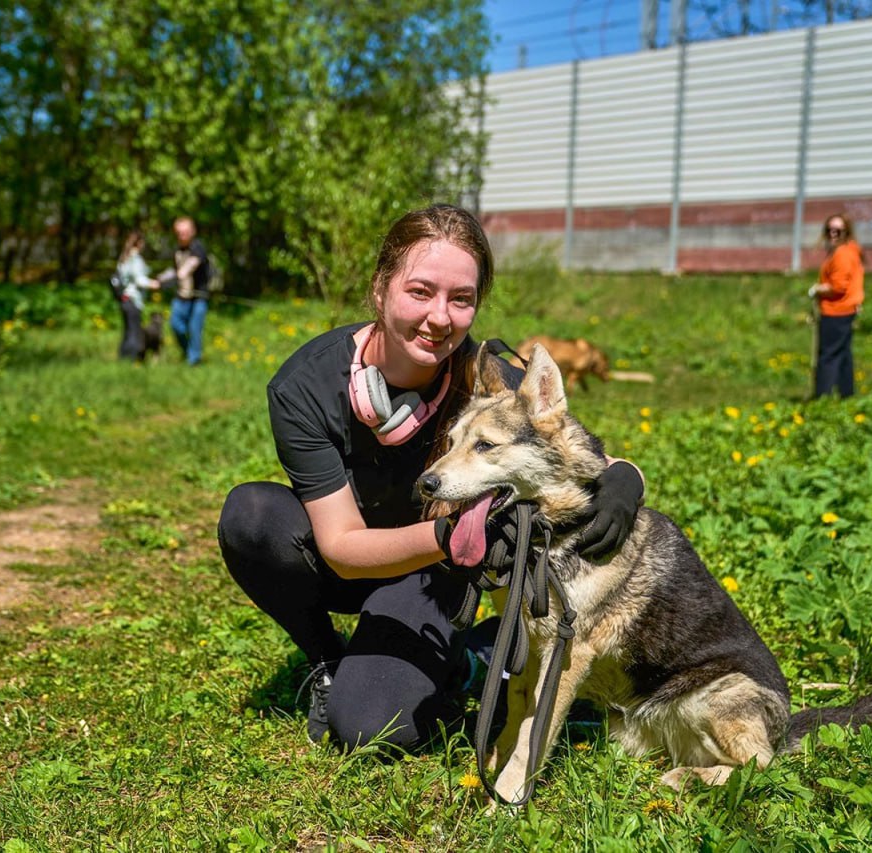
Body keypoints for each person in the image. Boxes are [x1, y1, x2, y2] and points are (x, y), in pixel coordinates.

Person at [217, 204, 645, 750]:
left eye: (460, 299)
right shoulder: (305, 387)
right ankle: (326, 659)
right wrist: (447, 536)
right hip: (350, 559)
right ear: (380, 290)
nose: (439, 317)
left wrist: (624, 480)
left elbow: (576, 453)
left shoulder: (485, 377)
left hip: (435, 579)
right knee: (252, 516)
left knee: (372, 729)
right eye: (420, 291)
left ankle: (467, 656)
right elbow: (344, 547)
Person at [809, 213, 865, 398]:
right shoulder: (851, 250)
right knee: (843, 355)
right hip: (846, 309)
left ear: (846, 231)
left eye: (838, 230)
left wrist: (817, 289)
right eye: (829, 230)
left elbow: (838, 287)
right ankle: (846, 394)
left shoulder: (842, 254)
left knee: (828, 357)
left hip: (836, 311)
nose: (833, 234)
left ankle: (822, 398)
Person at [154, 216, 212, 366]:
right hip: (181, 296)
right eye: (179, 233)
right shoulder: (177, 250)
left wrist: (178, 275)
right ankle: (187, 352)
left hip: (199, 297)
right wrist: (159, 279)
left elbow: (190, 265)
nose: (182, 236)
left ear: (193, 231)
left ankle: (194, 361)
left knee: (194, 328)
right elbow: (174, 269)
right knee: (175, 324)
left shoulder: (198, 247)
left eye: (185, 232)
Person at [114, 231, 161, 361]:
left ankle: (123, 358)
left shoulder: (124, 257)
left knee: (127, 331)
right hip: (133, 299)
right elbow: (139, 280)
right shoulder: (135, 258)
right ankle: (133, 359)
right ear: (139, 243)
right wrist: (154, 284)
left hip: (124, 299)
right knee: (135, 332)